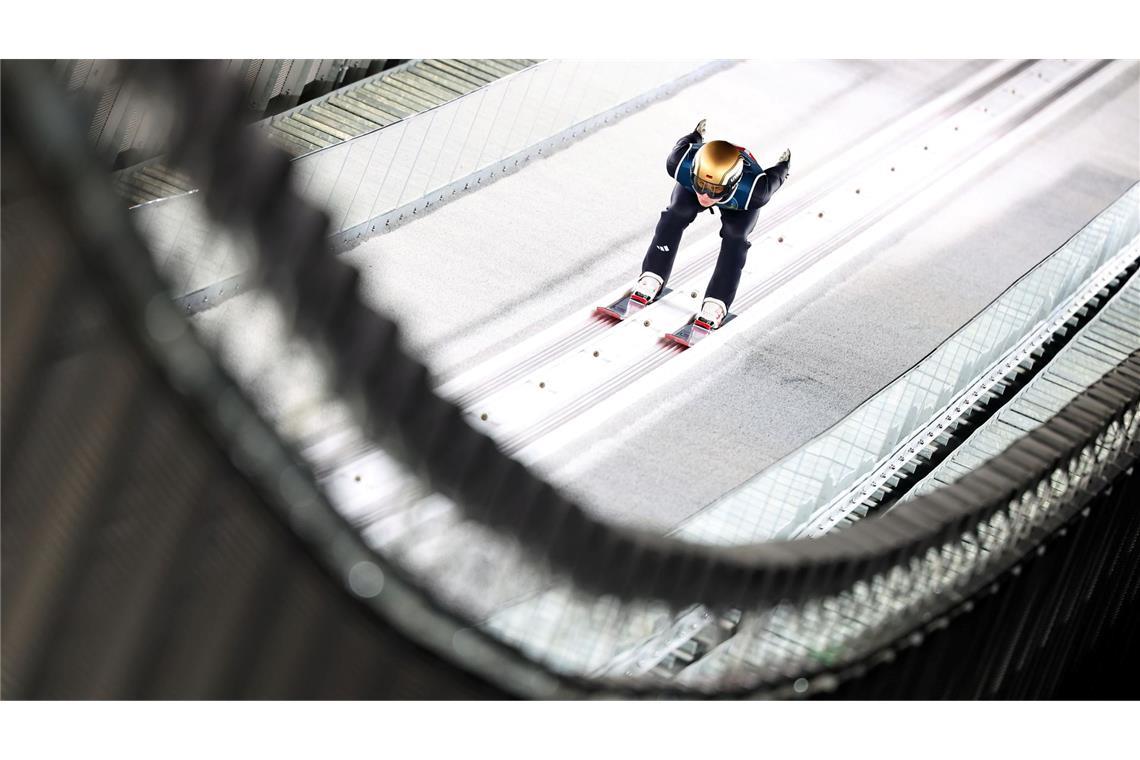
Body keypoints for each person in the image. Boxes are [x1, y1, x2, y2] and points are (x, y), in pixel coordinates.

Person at [631, 119, 791, 329]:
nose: (705, 196)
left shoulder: (755, 191)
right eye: (701, 184)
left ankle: (717, 301)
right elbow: (686, 143)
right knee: (677, 213)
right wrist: (696, 134)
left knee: (735, 236)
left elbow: (776, 176)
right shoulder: (679, 162)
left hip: (738, 204)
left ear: (732, 183)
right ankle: (652, 275)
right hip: (699, 186)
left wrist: (783, 165)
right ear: (693, 172)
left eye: (715, 190)